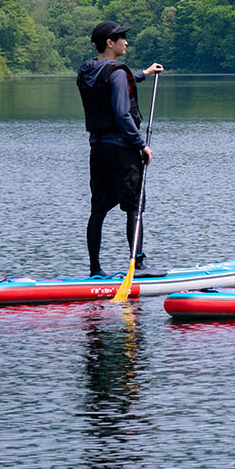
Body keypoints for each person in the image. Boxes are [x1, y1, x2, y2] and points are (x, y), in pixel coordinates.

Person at [77, 20, 163, 277]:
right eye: (121, 37)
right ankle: (136, 265)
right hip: (123, 151)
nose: (126, 41)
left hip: (98, 150)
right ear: (109, 43)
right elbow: (122, 114)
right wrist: (142, 145)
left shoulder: (87, 71)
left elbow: (114, 82)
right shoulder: (116, 72)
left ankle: (95, 269)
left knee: (98, 210)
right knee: (135, 207)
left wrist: (143, 74)